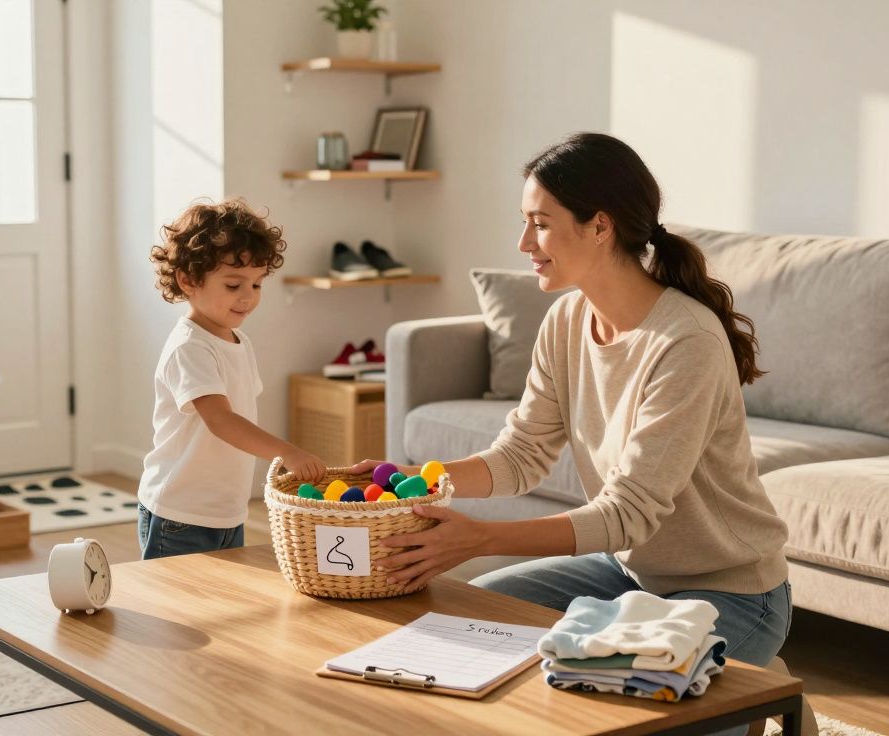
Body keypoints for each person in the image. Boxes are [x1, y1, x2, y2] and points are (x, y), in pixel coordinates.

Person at [358, 132, 792, 689]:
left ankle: (756, 686)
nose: (523, 243)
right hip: (628, 571)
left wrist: (480, 538)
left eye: (539, 224)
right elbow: (521, 456)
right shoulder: (566, 320)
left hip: (730, 590)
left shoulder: (686, 342)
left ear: (600, 226)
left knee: (637, 703)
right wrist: (414, 482)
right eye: (524, 222)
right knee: (465, 621)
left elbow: (626, 514)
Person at [138, 198, 326, 559]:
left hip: (225, 511)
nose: (248, 297)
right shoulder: (190, 347)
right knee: (175, 597)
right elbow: (222, 420)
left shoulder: (238, 341)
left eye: (256, 285)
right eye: (233, 285)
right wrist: (287, 452)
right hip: (181, 514)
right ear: (188, 280)